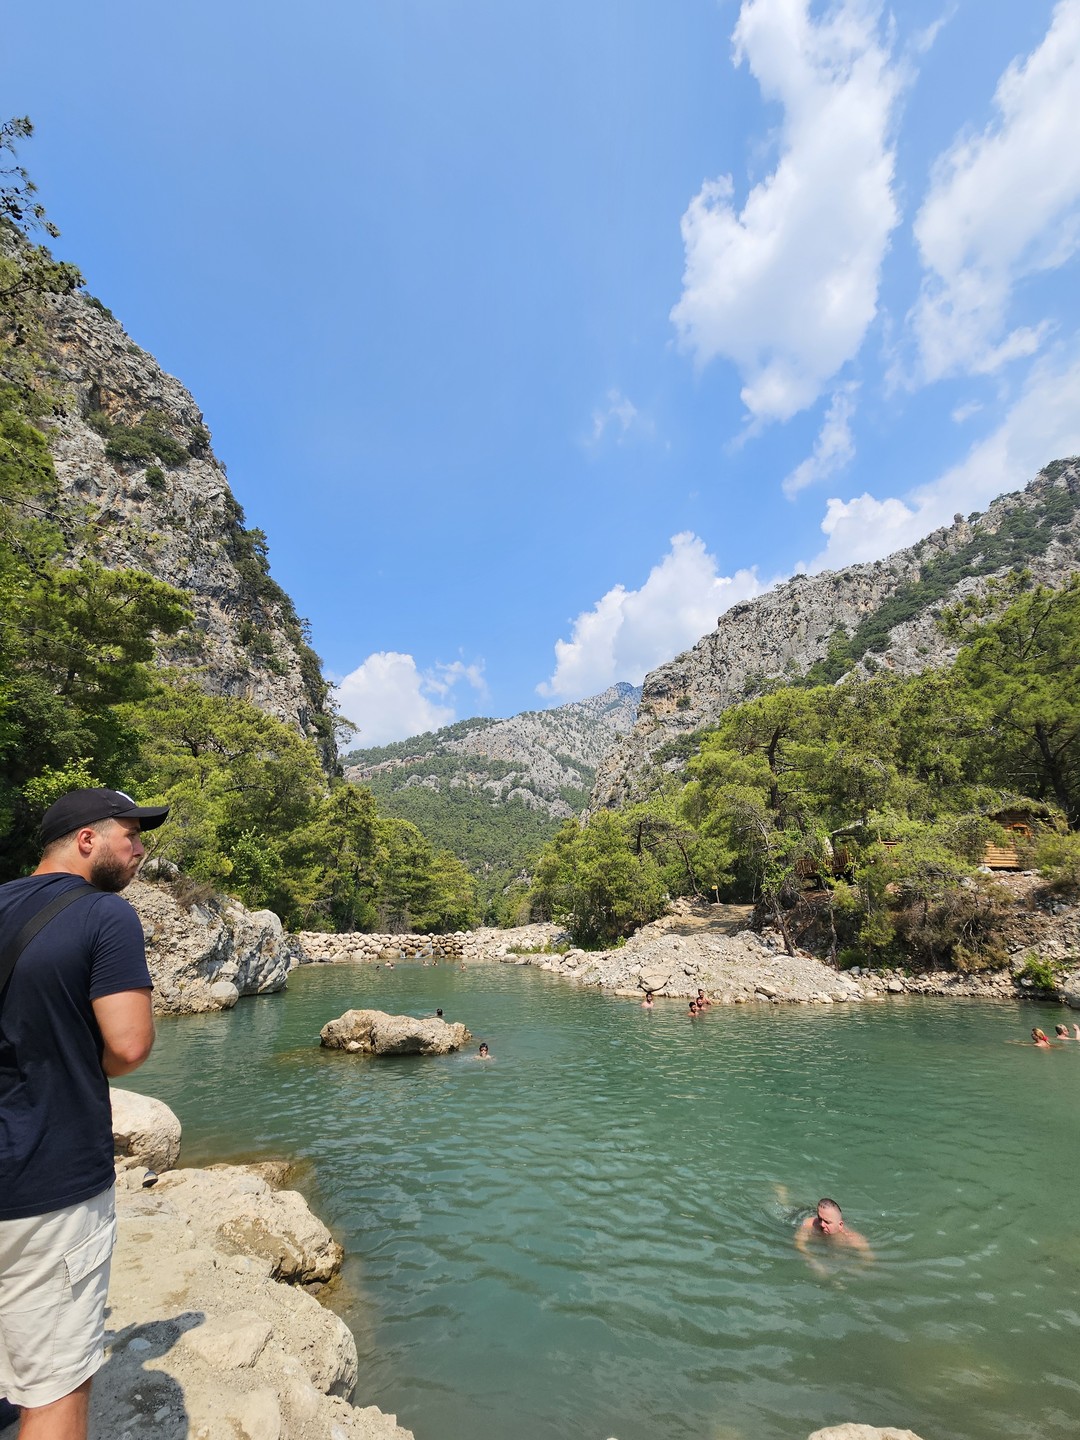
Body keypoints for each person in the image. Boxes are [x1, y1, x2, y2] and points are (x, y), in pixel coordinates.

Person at [0, 788, 167, 1439]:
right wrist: (70, 1055)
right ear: (87, 840)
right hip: (50, 1182)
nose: (141, 848)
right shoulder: (106, 915)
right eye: (132, 835)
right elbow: (128, 1046)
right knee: (56, 1389)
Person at [795, 1198, 873, 1273]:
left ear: (840, 1225)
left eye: (827, 1222)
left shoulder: (853, 1238)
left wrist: (853, 1269)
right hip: (802, 1214)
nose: (821, 1224)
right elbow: (799, 1244)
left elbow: (869, 1258)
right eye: (819, 1219)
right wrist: (813, 1261)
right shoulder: (809, 1224)